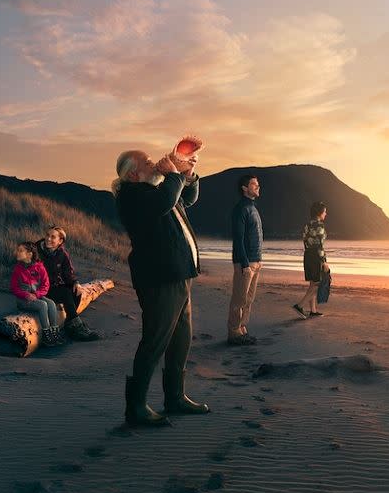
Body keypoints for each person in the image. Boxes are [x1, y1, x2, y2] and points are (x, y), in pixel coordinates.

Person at [113, 149, 210, 427]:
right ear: (133, 173)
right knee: (155, 340)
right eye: (146, 162)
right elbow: (166, 200)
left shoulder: (155, 188)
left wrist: (188, 174)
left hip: (178, 274)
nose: (153, 162)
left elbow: (186, 198)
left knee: (181, 338)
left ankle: (175, 397)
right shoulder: (132, 196)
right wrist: (173, 173)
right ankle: (136, 407)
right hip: (160, 277)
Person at [36, 226, 100, 342]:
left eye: (53, 237)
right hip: (39, 288)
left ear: (60, 241)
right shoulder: (36, 251)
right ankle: (77, 326)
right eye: (47, 235)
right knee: (65, 293)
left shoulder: (62, 254)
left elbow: (68, 273)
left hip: (54, 287)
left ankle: (70, 324)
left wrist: (75, 283)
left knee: (76, 292)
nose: (48, 239)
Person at [228, 174, 263, 346]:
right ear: (244, 188)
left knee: (248, 299)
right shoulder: (241, 208)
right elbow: (238, 238)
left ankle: (242, 329)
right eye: (253, 184)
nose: (257, 187)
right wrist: (244, 264)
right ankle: (234, 332)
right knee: (239, 299)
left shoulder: (252, 208)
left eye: (257, 184)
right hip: (245, 262)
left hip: (255, 260)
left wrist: (258, 261)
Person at [9, 241, 64, 347]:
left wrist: (37, 295)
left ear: (29, 254)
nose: (17, 253)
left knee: (51, 303)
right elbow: (14, 288)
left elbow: (45, 285)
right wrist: (26, 295)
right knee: (43, 305)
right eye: (18, 250)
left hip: (36, 297)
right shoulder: (18, 269)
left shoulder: (39, 267)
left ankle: (55, 332)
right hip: (23, 300)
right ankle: (46, 335)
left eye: (20, 251)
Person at [293, 202, 329, 319]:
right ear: (320, 213)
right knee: (318, 284)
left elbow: (306, 241)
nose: (326, 214)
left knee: (313, 283)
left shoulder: (307, 225)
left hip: (308, 255)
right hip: (316, 256)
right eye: (324, 212)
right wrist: (324, 261)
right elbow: (319, 245)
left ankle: (313, 310)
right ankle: (299, 306)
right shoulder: (320, 225)